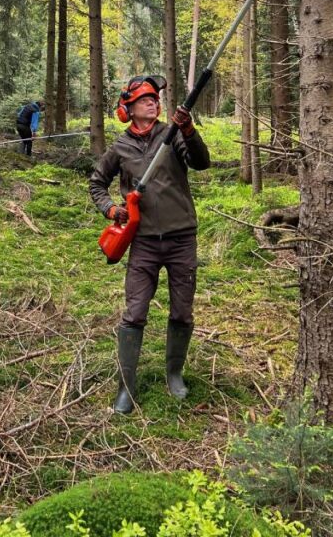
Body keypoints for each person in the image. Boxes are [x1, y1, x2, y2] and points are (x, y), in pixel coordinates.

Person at [89, 75, 210, 414]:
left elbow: (201, 162)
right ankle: (126, 387)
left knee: (182, 310)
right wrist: (112, 209)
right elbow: (97, 184)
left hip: (181, 236)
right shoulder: (120, 147)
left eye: (155, 99)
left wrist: (188, 131)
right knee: (135, 312)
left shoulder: (171, 135)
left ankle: (174, 375)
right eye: (145, 100)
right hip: (142, 243)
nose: (153, 103)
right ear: (127, 109)